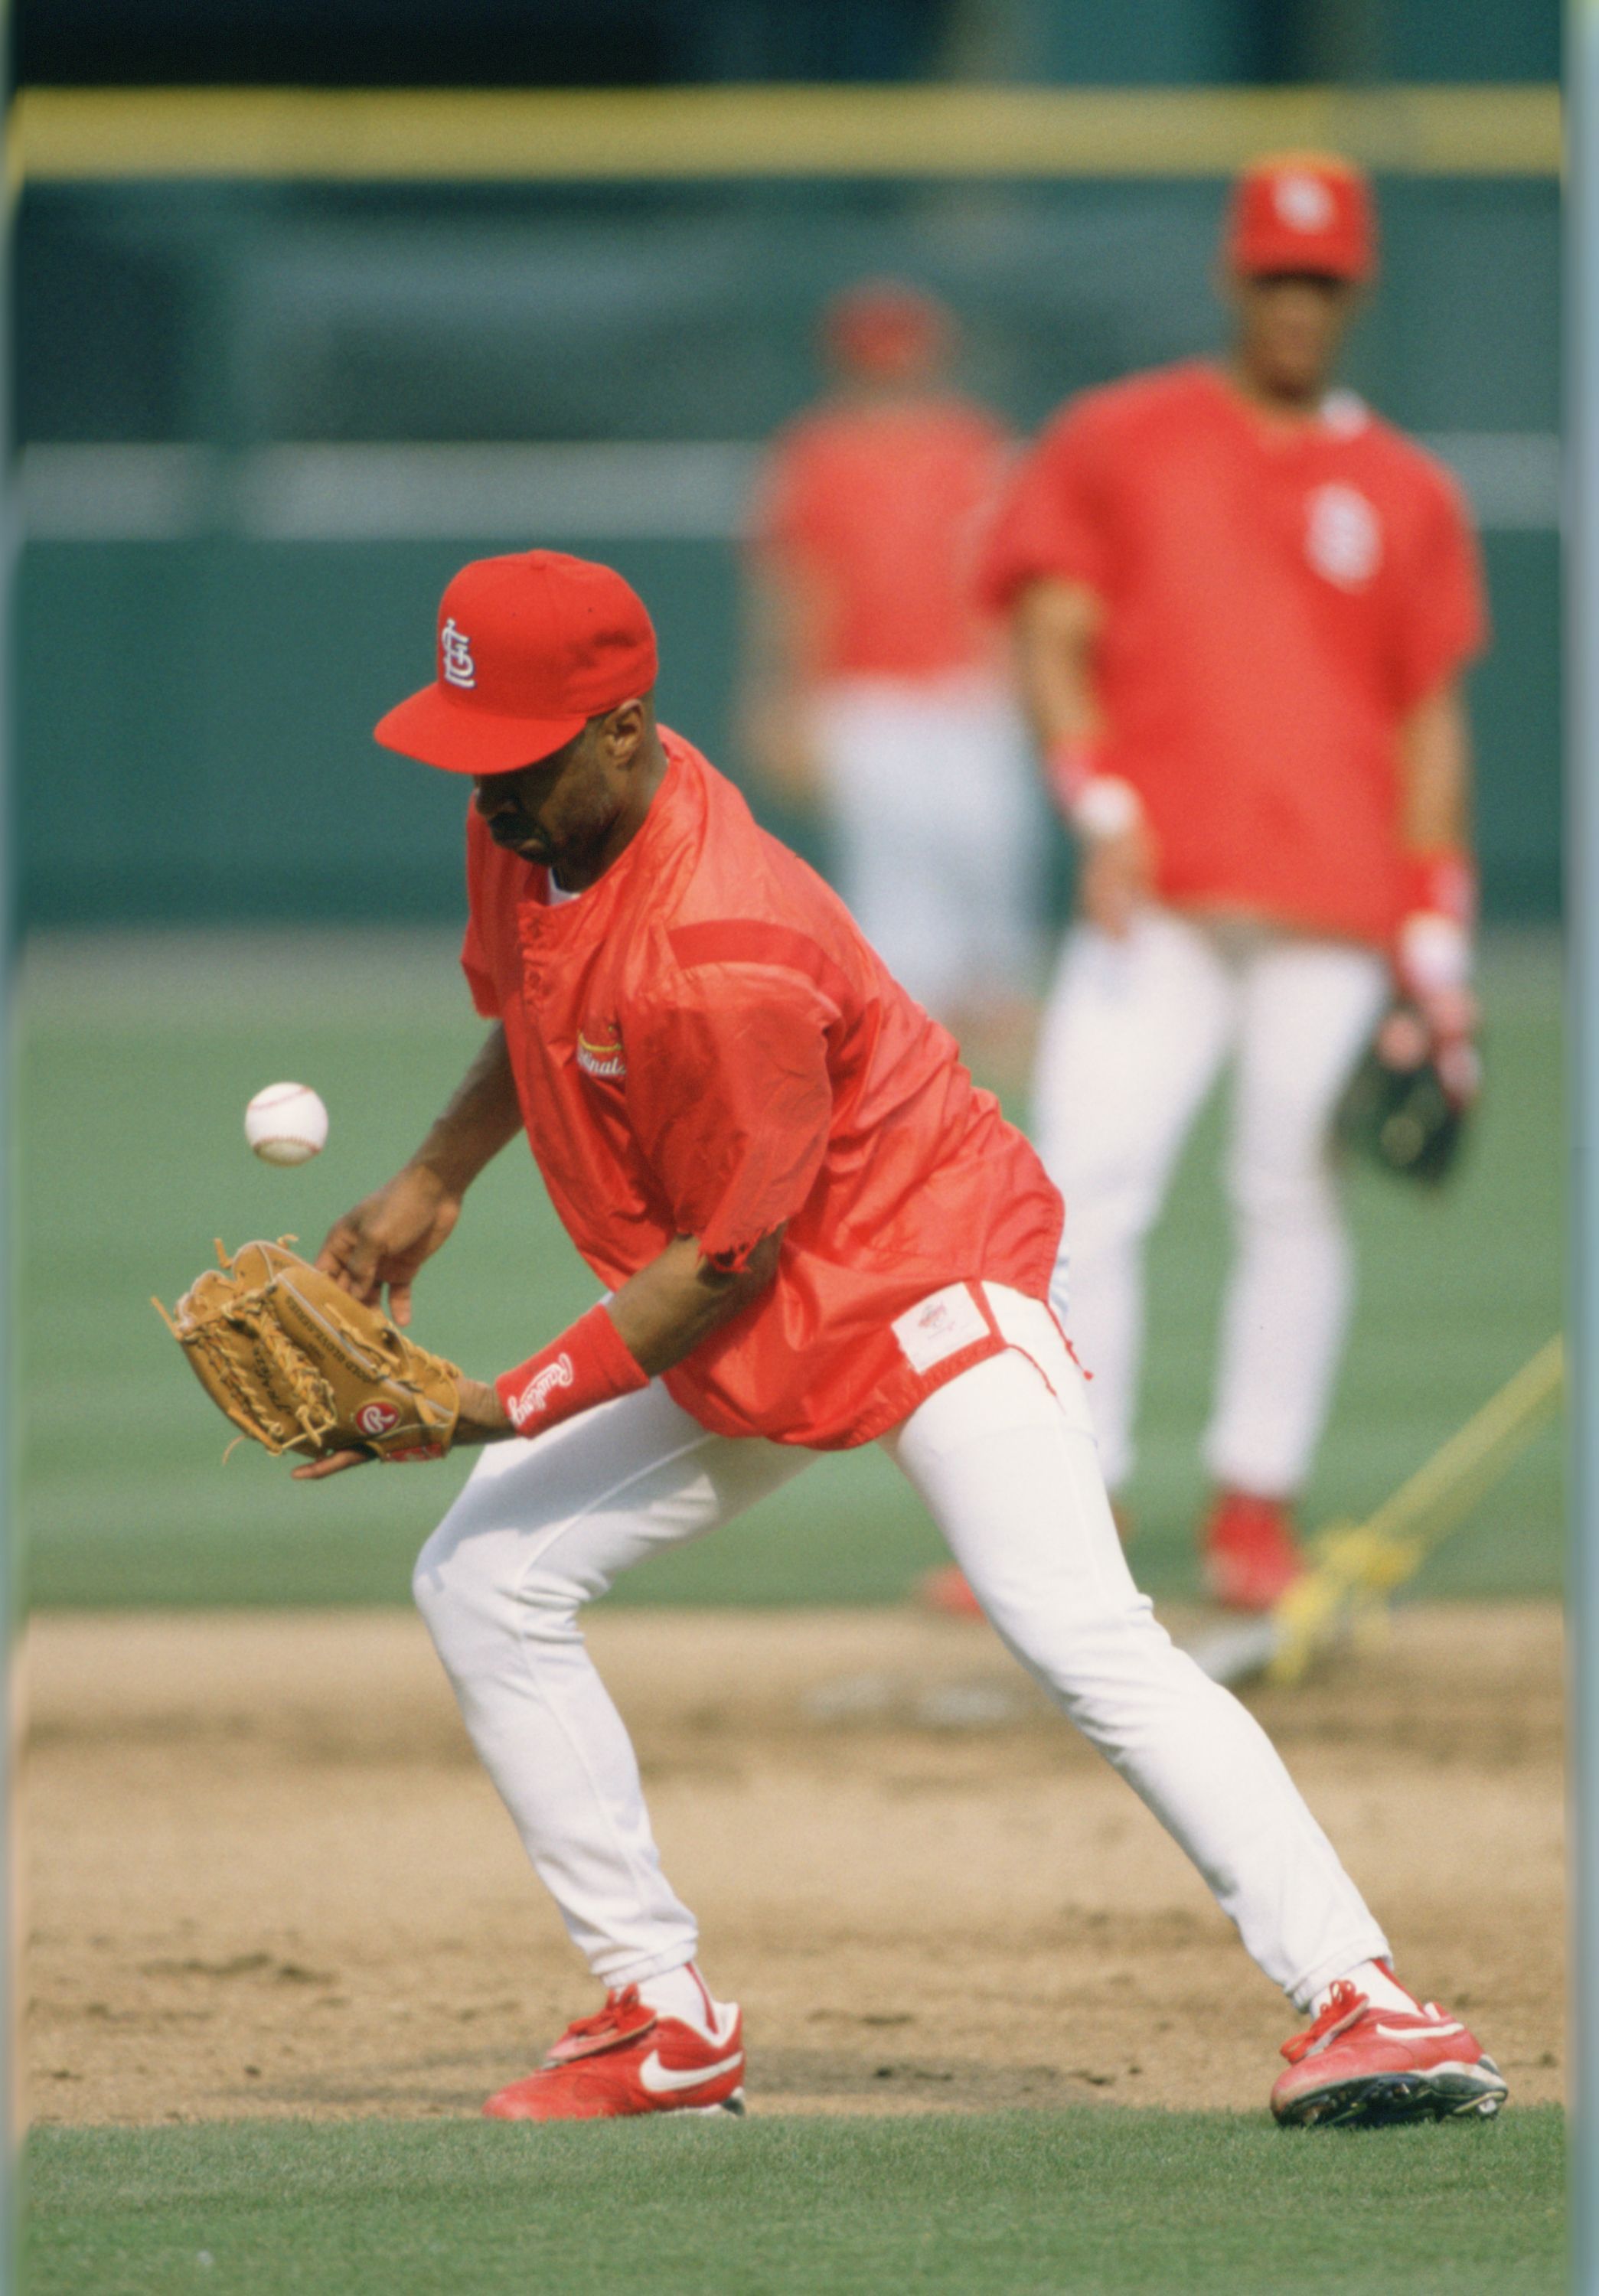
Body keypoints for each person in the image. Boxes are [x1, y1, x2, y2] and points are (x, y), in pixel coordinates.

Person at [304, 545, 1505, 2130]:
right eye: (474, 757)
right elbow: (535, 1010)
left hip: (925, 1274)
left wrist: (490, 1406)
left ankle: (1374, 2003)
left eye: (517, 758)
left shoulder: (727, 943)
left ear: (624, 728)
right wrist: (429, 1181)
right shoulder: (531, 830)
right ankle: (661, 2016)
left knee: (1084, 1637)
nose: (492, 797)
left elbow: (724, 1258)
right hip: (762, 1295)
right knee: (485, 1578)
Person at [976, 152, 1486, 1612]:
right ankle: (1066, 1511)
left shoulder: (1404, 490)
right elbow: (1052, 631)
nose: (1294, 301)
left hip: (1330, 909)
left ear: (1353, 289)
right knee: (1078, 1189)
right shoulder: (1118, 439)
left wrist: (1435, 935)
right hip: (1161, 893)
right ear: (1229, 274)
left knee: (1288, 1192)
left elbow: (1424, 713)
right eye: (1274, 271)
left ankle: (1251, 1512)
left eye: (1319, 278)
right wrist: (1096, 795)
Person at [741, 279, 1039, 1058]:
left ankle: (998, 1000)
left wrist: (1021, 676)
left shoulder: (974, 444)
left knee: (990, 838)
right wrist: (781, 700)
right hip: (864, 690)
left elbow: (1009, 574)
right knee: (893, 869)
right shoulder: (816, 455)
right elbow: (795, 585)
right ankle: (907, 1028)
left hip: (966, 686)